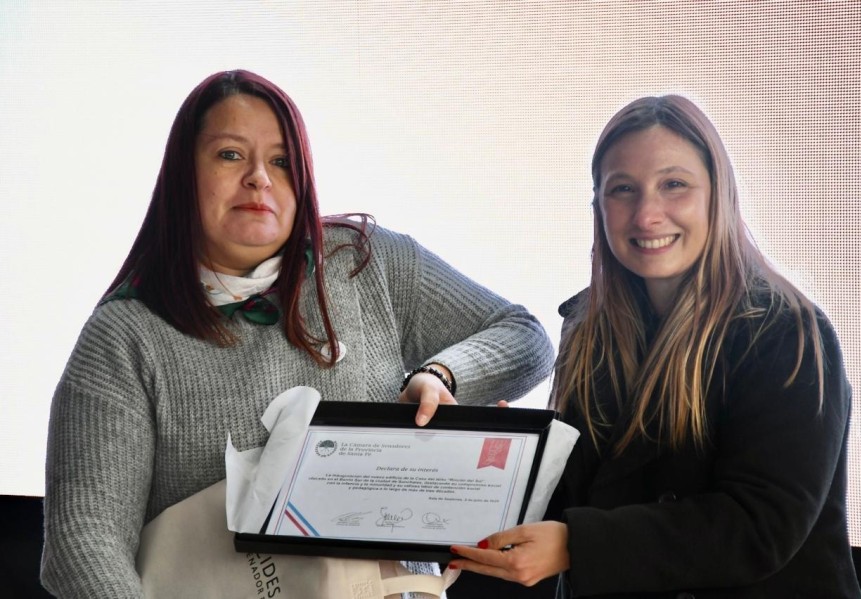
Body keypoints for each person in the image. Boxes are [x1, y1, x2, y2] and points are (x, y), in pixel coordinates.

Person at [40, 69, 555, 598]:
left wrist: (441, 375)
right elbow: (83, 544)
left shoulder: (363, 261)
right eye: (230, 155)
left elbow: (524, 338)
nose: (260, 177)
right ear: (182, 175)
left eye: (281, 161)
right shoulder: (124, 336)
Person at [449, 95, 861, 598]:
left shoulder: (789, 332)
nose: (646, 215)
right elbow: (589, 488)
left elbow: (759, 525)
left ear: (718, 195)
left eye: (674, 185)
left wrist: (577, 544)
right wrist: (512, 461)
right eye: (623, 190)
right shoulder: (588, 327)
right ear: (599, 206)